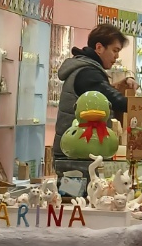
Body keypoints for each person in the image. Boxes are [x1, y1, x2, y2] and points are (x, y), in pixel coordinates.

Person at [53, 24, 136, 177]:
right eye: (115, 50)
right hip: (78, 153)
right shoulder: (88, 73)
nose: (117, 56)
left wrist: (121, 85)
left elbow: (105, 91)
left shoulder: (86, 69)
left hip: (78, 152)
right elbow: (114, 99)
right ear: (99, 47)